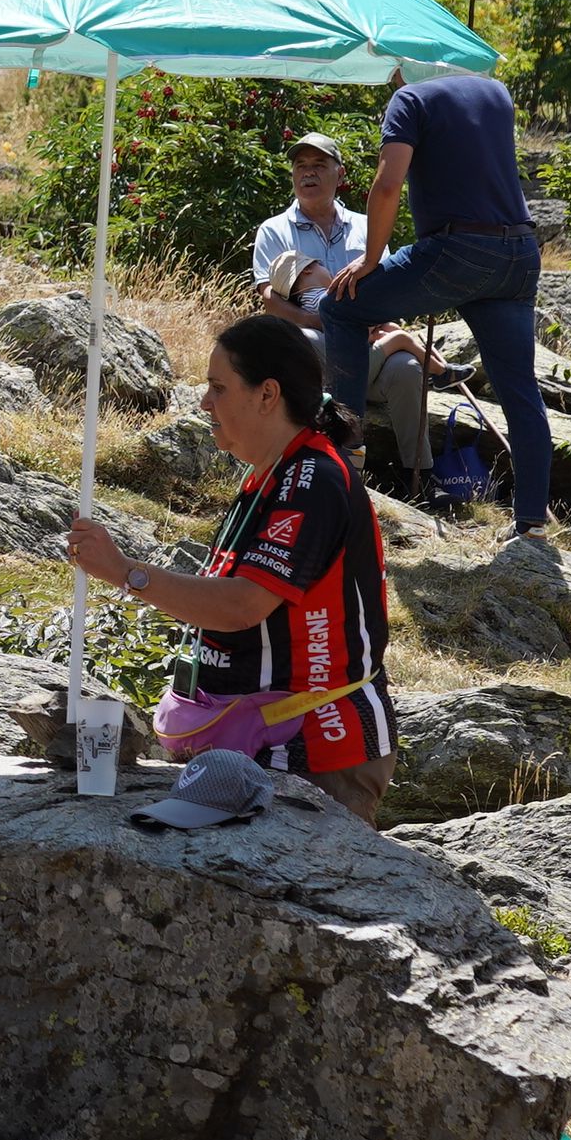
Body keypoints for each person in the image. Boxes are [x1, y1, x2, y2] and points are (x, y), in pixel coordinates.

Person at [64, 312, 401, 824]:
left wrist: (127, 572)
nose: (204, 403)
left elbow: (242, 605)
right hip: (255, 742)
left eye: (218, 387)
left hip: (314, 749)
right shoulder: (268, 474)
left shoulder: (311, 480)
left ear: (267, 394)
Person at [317, 63, 555, 537]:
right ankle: (530, 518)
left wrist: (368, 260)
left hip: (457, 251)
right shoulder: (496, 93)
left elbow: (387, 185)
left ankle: (344, 459)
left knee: (340, 307)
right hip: (519, 254)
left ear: (405, 70)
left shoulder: (410, 100)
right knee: (520, 390)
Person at [253, 132, 432, 493]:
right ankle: (342, 465)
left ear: (340, 173)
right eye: (301, 166)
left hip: (368, 343)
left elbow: (388, 289)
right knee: (301, 341)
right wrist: (315, 320)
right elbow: (269, 298)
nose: (308, 174)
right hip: (318, 349)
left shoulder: (368, 227)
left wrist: (379, 325)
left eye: (319, 165)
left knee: (409, 369)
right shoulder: (274, 230)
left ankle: (420, 475)